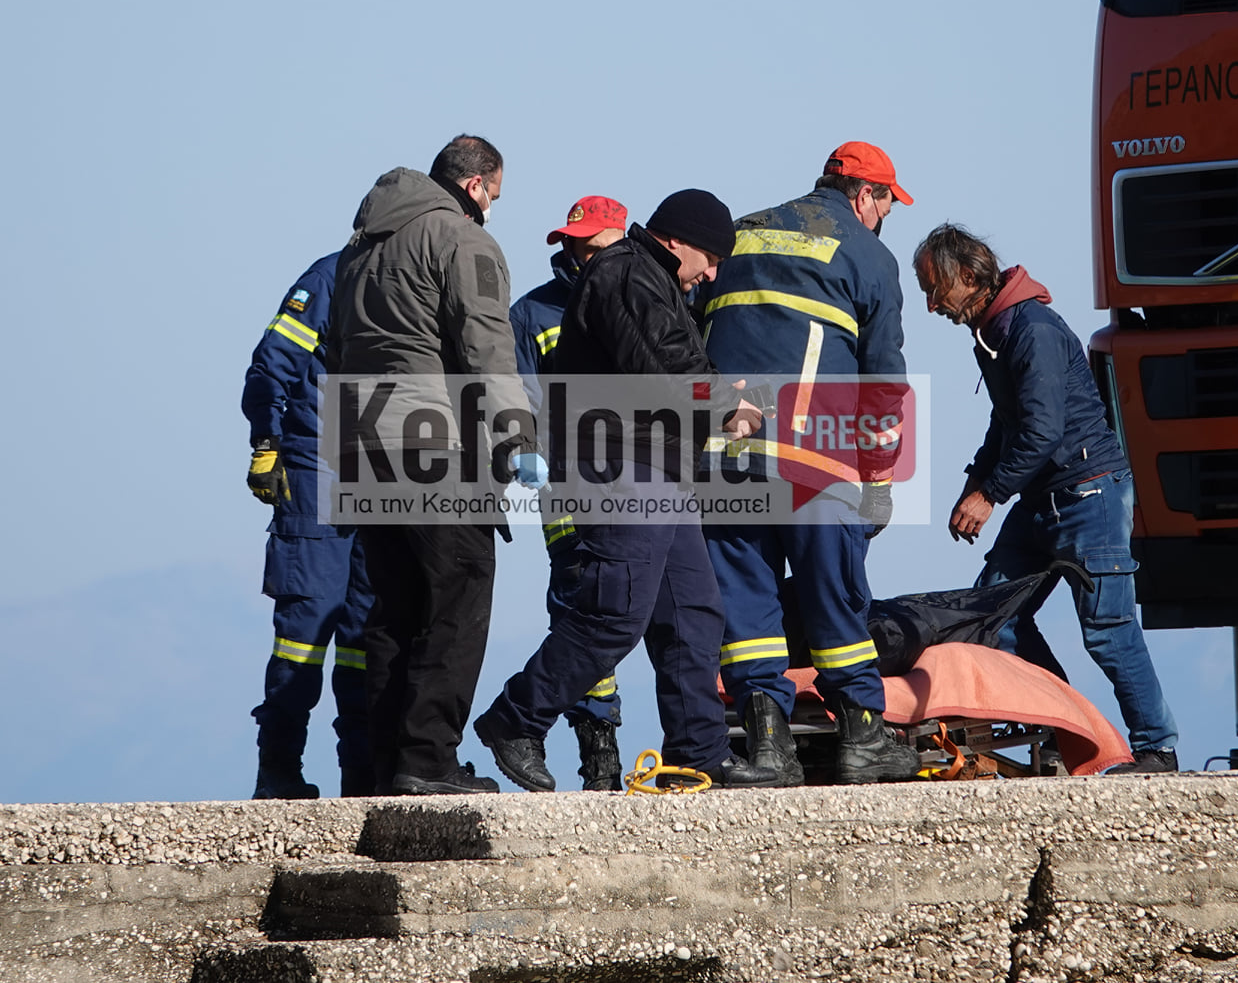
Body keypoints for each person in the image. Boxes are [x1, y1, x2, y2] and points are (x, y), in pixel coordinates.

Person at [475, 190, 777, 792]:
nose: (713, 273)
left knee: (693, 614)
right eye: (711, 257)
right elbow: (661, 363)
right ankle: (516, 719)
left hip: (659, 468)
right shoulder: (626, 271)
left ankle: (698, 754)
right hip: (617, 466)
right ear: (677, 240)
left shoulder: (655, 281)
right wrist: (726, 406)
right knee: (614, 614)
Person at [915, 222, 1179, 774]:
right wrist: (975, 480)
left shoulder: (1030, 329)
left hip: (1088, 495)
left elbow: (1041, 431)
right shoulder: (996, 331)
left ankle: (1157, 749)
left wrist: (988, 494)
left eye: (934, 288)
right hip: (1042, 496)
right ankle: (1067, 729)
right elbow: (1005, 422)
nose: (932, 304)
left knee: (1107, 629)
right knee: (994, 612)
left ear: (968, 275)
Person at [327, 134, 542, 796]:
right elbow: (486, 347)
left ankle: (389, 761)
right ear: (477, 184)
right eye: (495, 195)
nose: (492, 209)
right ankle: (427, 759)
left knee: (391, 609)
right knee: (458, 597)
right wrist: (516, 438)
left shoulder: (359, 251)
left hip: (365, 443)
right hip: (436, 446)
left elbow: (337, 348)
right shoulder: (462, 240)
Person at [700, 142, 920, 785]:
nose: (884, 218)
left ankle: (768, 748)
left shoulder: (739, 233)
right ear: (865, 197)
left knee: (745, 605)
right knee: (834, 596)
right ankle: (863, 737)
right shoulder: (869, 255)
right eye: (887, 205)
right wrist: (879, 479)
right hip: (814, 455)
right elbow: (883, 386)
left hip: (727, 456)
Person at [241, 250, 375, 799]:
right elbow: (273, 361)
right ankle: (279, 768)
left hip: (387, 475)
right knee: (306, 628)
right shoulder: (332, 276)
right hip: (316, 467)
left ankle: (363, 779)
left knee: (369, 634)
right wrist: (267, 443)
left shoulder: (419, 277)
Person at [508, 194, 630, 791]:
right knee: (585, 607)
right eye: (571, 242)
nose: (577, 253)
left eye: (590, 242)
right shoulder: (532, 313)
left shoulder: (646, 297)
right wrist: (522, 446)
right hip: (567, 486)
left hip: (643, 479)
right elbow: (511, 392)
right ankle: (599, 751)